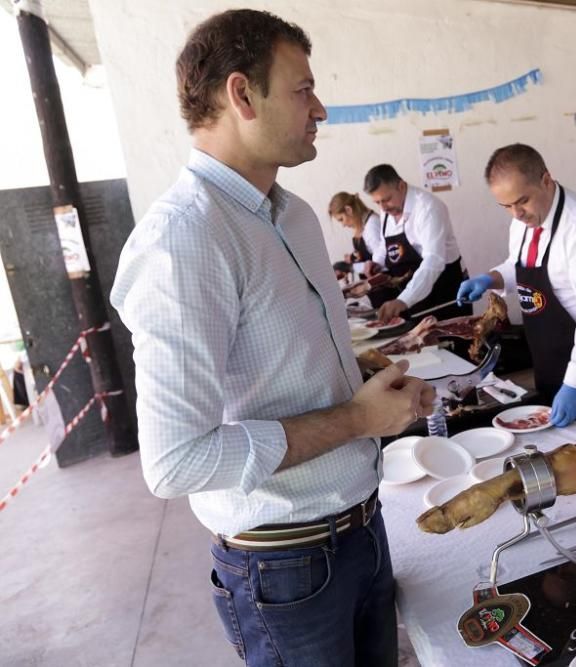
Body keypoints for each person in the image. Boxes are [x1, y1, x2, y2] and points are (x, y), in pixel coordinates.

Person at [110, 10, 435, 666]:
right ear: (241, 94)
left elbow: (287, 357)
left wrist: (361, 368)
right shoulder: (186, 239)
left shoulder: (294, 215)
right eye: (303, 89)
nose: (319, 108)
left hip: (363, 529)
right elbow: (175, 461)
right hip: (285, 568)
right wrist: (355, 417)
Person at [458, 144, 576, 431]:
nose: (516, 213)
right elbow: (523, 267)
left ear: (546, 180)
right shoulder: (524, 221)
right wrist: (491, 278)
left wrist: (575, 384)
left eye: (522, 201)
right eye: (506, 206)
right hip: (549, 351)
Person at [363, 164, 472, 322]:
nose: (383, 207)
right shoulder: (387, 209)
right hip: (414, 289)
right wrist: (376, 262)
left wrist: (404, 299)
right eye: (377, 202)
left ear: (401, 186)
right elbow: (384, 243)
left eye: (386, 199)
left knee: (450, 343)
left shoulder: (428, 208)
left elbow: (433, 261)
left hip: (444, 287)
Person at [329, 191, 381, 279]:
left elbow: (381, 264)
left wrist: (350, 268)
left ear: (349, 210)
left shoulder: (371, 226)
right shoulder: (360, 227)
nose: (343, 225)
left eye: (341, 219)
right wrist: (352, 259)